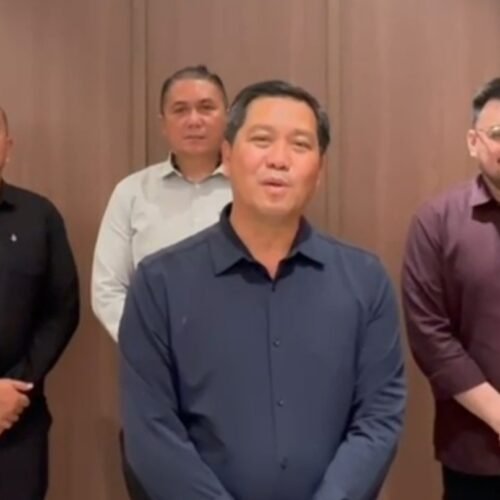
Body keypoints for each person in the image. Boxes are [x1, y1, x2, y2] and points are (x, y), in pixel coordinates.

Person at [119, 79, 406, 500]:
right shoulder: (159, 283)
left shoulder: (365, 280)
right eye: (262, 140)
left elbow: (379, 417)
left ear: (320, 171)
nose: (279, 159)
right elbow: (151, 430)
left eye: (300, 145)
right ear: (228, 155)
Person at [402, 77, 500, 500]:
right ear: (473, 142)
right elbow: (430, 336)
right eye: (498, 133)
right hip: (477, 453)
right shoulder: (436, 222)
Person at [91, 64, 232, 341]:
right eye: (180, 110)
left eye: (206, 108)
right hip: (152, 352)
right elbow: (107, 288)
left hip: (238, 350)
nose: (194, 120)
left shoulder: (252, 190)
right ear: (163, 124)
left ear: (227, 117)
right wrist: (147, 345)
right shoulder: (131, 192)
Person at [0, 105, 80, 499]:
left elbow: (61, 311)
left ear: (8, 146)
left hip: (18, 417)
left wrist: (13, 390)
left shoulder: (39, 216)